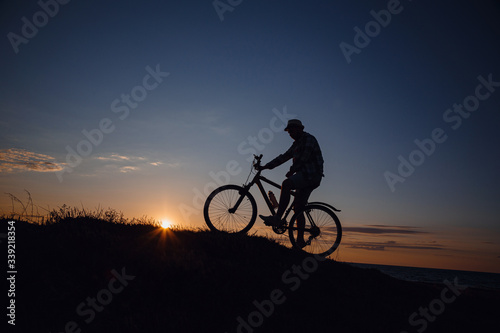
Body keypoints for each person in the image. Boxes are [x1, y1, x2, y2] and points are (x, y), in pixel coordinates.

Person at [257, 119, 324, 248]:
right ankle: (299, 241)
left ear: (299, 129)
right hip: (305, 177)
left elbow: (304, 157)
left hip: (311, 175)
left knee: (286, 184)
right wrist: (265, 167)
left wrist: (292, 170)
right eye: (288, 132)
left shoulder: (309, 139)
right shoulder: (296, 144)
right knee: (298, 208)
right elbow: (284, 157)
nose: (290, 134)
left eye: (292, 130)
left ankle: (278, 217)